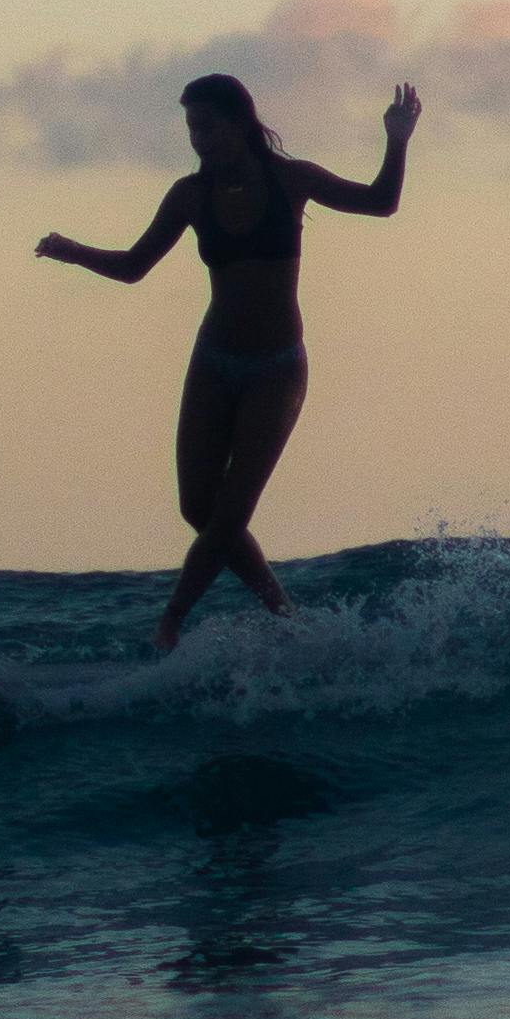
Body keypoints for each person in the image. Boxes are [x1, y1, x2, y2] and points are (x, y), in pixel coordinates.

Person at [38, 69, 423, 649]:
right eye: (192, 128)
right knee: (197, 505)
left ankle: (171, 622)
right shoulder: (191, 196)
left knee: (230, 511)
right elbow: (133, 266)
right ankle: (284, 615)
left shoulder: (291, 181)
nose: (198, 139)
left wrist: (396, 139)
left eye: (208, 126)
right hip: (214, 360)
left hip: (277, 368)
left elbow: (381, 203)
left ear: (240, 123)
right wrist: (73, 253)